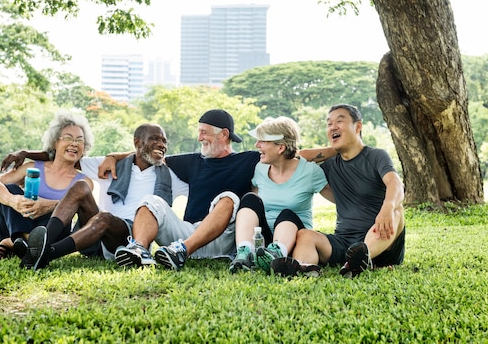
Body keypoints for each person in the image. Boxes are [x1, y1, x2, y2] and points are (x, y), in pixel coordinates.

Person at [105, 109, 333, 271]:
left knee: (230, 197)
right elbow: (152, 153)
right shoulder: (192, 161)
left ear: (224, 135)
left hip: (222, 238)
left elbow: (292, 154)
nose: (199, 137)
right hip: (187, 234)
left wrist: (342, 148)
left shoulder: (252, 160)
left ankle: (183, 252)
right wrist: (114, 156)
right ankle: (139, 250)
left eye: (204, 132)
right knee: (150, 201)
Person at [1, 123, 187, 270]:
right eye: (155, 139)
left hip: (126, 240)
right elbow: (67, 156)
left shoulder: (170, 176)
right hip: (92, 235)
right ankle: (45, 240)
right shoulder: (110, 165)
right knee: (81, 186)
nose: (162, 144)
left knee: (104, 218)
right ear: (137, 143)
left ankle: (45, 254)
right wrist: (26, 153)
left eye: (164, 141)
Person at [271, 104, 405, 278]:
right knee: (305, 235)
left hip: (381, 240)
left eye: (339, 121)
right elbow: (295, 157)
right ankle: (304, 268)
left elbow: (395, 183)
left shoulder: (375, 156)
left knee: (397, 210)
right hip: (344, 242)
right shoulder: (330, 166)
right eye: (329, 124)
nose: (332, 127)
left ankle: (362, 257)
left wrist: (387, 207)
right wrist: (333, 150)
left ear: (358, 126)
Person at [0, 111, 94, 262]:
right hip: (18, 222)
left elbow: (77, 206)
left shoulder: (83, 181)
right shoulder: (32, 167)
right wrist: (13, 201)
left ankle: (11, 243)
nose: (74, 143)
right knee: (11, 188)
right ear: (55, 142)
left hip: (51, 233)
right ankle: (26, 242)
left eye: (79, 140)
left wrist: (48, 205)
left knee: (59, 214)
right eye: (68, 138)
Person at [229, 116, 329, 274]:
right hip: (265, 242)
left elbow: (339, 200)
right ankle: (244, 253)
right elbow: (253, 209)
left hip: (294, 238)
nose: (257, 145)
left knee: (287, 213)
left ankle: (277, 253)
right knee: (250, 199)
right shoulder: (260, 169)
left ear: (281, 148)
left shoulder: (310, 172)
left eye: (263, 141)